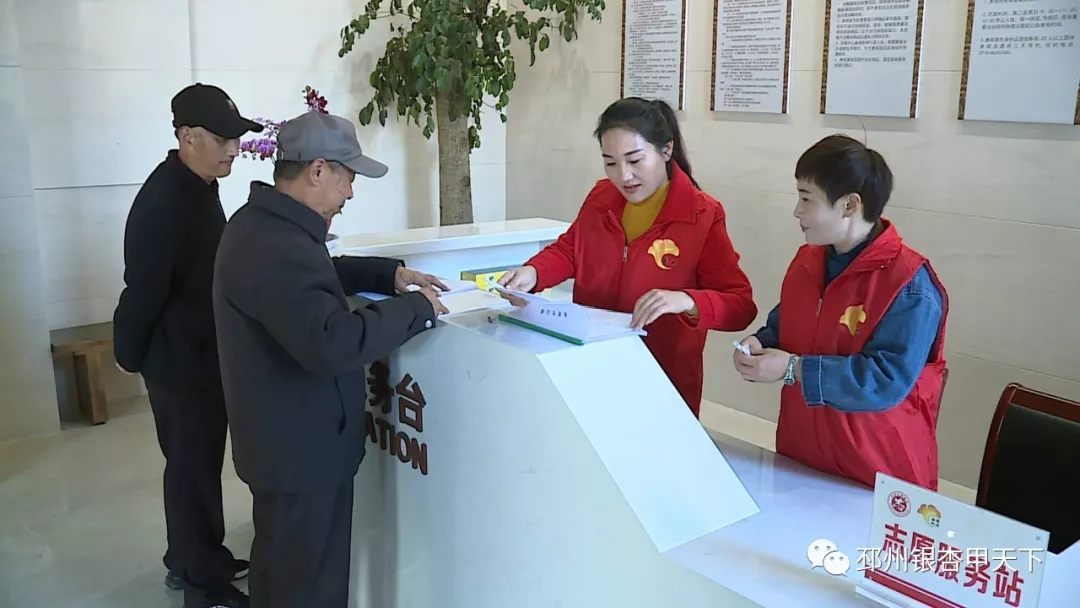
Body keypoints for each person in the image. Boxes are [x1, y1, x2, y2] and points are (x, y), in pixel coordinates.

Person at [212, 110, 449, 607]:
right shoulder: (278, 245)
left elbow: (311, 280)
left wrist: (387, 276)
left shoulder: (261, 225)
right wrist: (417, 310)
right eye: (348, 177)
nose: (350, 193)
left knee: (283, 572)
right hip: (301, 454)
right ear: (318, 170)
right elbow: (331, 341)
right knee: (307, 587)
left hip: (282, 447)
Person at [499, 97, 757, 416]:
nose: (624, 176)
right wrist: (534, 272)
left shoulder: (702, 215)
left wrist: (687, 301)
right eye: (610, 163)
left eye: (635, 160)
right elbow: (570, 250)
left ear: (666, 150)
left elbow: (740, 305)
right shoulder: (601, 198)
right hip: (591, 367)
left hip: (660, 381)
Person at [113, 83, 261, 608]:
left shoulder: (199, 185)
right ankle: (202, 586)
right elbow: (143, 288)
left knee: (197, 467)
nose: (233, 149)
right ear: (187, 136)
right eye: (222, 139)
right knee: (191, 471)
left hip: (202, 354)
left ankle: (195, 557)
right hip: (179, 364)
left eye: (236, 139)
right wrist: (128, 353)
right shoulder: (165, 200)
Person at [733, 134, 948, 491]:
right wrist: (760, 342)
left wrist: (792, 368)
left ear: (849, 205)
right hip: (802, 455)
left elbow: (884, 380)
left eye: (806, 198)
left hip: (875, 469)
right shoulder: (808, 260)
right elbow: (788, 325)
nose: (797, 211)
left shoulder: (909, 284)